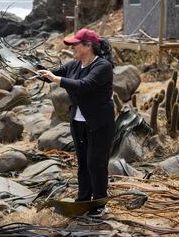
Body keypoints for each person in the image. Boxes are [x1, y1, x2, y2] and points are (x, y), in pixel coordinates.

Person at [38, 28, 115, 217]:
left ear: (88, 46)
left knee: (95, 163)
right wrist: (34, 69)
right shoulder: (73, 65)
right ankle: (83, 200)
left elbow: (84, 86)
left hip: (99, 123)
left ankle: (99, 204)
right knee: (82, 163)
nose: (72, 48)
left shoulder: (102, 66)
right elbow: (50, 74)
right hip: (78, 122)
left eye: (75, 44)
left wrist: (57, 79)